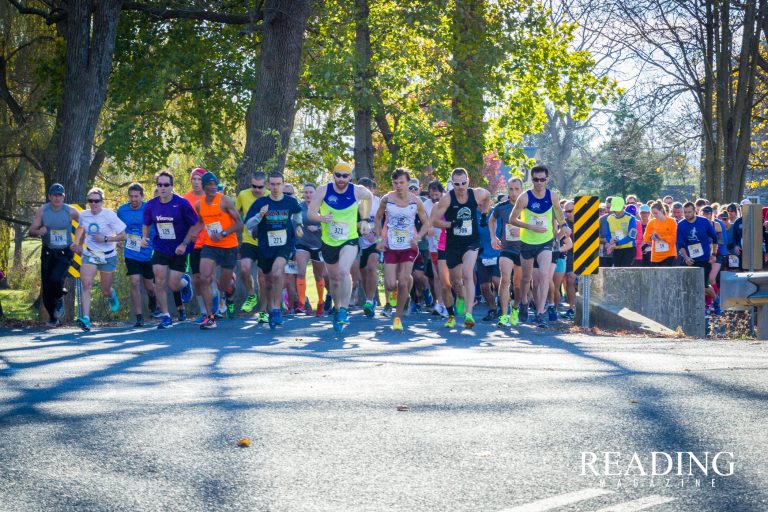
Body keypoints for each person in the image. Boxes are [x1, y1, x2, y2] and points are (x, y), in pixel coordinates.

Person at [307, 161, 373, 333]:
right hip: (329, 242)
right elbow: (310, 213)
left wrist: (365, 219)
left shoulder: (357, 190)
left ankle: (344, 309)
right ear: (333, 175)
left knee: (344, 271)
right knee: (334, 278)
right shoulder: (323, 190)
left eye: (345, 176)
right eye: (338, 175)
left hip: (349, 239)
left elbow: (369, 197)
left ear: (350, 177)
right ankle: (337, 309)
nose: (341, 179)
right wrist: (322, 219)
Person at [430, 167, 492, 329]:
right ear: (452, 184)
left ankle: (469, 314)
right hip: (453, 244)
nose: (461, 187)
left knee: (467, 274)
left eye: (463, 183)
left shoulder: (476, 193)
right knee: (454, 281)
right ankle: (455, 306)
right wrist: (451, 224)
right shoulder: (447, 199)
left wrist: (484, 213)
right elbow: (435, 221)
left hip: (471, 242)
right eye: (457, 184)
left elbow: (487, 196)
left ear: (468, 181)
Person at [245, 171, 304, 329]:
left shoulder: (290, 202)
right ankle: (271, 309)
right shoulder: (261, 203)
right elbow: (248, 225)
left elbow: (298, 213)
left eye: (278, 184)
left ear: (283, 184)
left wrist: (298, 226)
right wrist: (260, 215)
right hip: (265, 247)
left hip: (285, 245)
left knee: (278, 272)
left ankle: (277, 309)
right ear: (268, 185)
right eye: (272, 184)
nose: (275, 187)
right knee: (268, 282)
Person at [373, 168, 430, 330]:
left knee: (403, 280)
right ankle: (405, 291)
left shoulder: (416, 201)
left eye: (402, 183)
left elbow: (426, 222)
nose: (398, 186)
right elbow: (377, 218)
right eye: (395, 183)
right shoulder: (387, 199)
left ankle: (397, 317)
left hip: (409, 246)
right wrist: (379, 238)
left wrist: (418, 237)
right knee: (391, 284)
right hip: (391, 245)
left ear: (408, 183)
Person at [509, 165, 565, 328]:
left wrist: (564, 225)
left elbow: (559, 213)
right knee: (526, 278)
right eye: (535, 179)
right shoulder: (524, 197)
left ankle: (540, 313)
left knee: (543, 276)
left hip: (546, 242)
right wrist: (530, 227)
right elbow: (512, 219)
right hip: (527, 243)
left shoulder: (552, 196)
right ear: (531, 180)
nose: (539, 183)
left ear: (546, 180)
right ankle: (525, 302)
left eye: (542, 179)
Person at [188, 172, 243, 329]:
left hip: (228, 247)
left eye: (214, 184)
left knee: (223, 286)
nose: (212, 187)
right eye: (209, 185)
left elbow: (239, 224)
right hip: (210, 246)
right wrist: (193, 234)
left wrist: (223, 233)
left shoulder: (225, 201)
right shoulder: (200, 204)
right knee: (204, 279)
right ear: (204, 187)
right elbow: (200, 223)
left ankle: (229, 293)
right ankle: (210, 317)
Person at [142, 171, 195, 329]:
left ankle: (185, 282)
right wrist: (145, 237)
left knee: (173, 285)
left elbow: (194, 224)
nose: (162, 188)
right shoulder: (151, 204)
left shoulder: (182, 203)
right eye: (159, 185)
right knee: (158, 282)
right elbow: (146, 224)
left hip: (179, 248)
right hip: (160, 247)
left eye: (166, 185)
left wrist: (184, 244)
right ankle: (166, 316)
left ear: (172, 186)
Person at [70, 187, 127, 331]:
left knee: (105, 289)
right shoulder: (84, 215)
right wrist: (76, 242)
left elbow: (123, 235)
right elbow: (80, 228)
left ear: (102, 201)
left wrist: (106, 238)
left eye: (96, 201)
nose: (93, 204)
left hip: (108, 255)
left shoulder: (109, 215)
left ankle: (111, 295)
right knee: (86, 283)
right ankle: (86, 318)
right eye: (90, 201)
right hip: (91, 254)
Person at [28, 183, 79, 327]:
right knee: (47, 287)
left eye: (60, 195)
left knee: (56, 279)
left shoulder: (70, 211)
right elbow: (31, 231)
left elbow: (84, 224)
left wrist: (79, 242)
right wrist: (39, 231)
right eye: (54, 195)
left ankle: (59, 295)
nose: (57, 198)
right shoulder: (43, 211)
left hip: (64, 252)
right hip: (48, 252)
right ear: (49, 196)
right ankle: (53, 317)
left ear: (64, 196)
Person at [117, 183, 161, 327]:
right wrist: (117, 239)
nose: (134, 199)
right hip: (131, 251)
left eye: (137, 196)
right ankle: (139, 316)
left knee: (149, 286)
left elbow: (157, 225)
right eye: (131, 196)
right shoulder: (122, 210)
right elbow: (118, 229)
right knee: (134, 281)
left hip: (148, 252)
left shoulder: (149, 208)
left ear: (142, 196)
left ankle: (153, 299)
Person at [676, 202, 722, 312]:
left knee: (703, 285)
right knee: (690, 285)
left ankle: (715, 300)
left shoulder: (704, 222)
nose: (687, 214)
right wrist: (686, 257)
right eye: (685, 212)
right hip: (689, 259)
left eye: (689, 212)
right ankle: (695, 308)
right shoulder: (681, 224)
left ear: (694, 211)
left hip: (704, 258)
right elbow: (680, 244)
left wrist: (714, 254)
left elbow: (715, 239)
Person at [235, 172, 268, 322]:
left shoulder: (270, 196)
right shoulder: (243, 195)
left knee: (262, 278)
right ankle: (251, 295)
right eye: (253, 186)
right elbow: (236, 214)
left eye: (260, 187)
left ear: (265, 186)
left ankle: (263, 312)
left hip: (265, 242)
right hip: (248, 240)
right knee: (244, 268)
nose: (256, 190)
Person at [490, 178, 523, 327]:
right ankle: (503, 315)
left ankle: (515, 308)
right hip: (506, 248)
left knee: (518, 284)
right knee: (505, 280)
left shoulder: (528, 207)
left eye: (517, 189)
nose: (514, 192)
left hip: (524, 250)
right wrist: (493, 237)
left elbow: (538, 224)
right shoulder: (501, 207)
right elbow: (492, 220)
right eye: (511, 189)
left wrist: (522, 230)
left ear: (522, 190)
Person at [295, 183, 326, 316]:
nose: (308, 195)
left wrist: (318, 228)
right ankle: (301, 302)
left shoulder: (322, 207)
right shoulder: (299, 207)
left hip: (318, 244)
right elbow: (294, 221)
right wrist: (297, 227)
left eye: (310, 192)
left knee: (318, 275)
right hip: (302, 243)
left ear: (315, 193)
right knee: (301, 271)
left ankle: (320, 302)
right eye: (306, 192)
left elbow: (331, 222)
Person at [183, 167, 207, 323]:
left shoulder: (212, 197)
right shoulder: (185, 199)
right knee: (197, 278)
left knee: (208, 277)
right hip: (194, 244)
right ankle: (204, 311)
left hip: (211, 243)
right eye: (194, 179)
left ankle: (218, 302)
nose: (196, 182)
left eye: (199, 179)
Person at [357, 177, 382, 318]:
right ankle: (370, 300)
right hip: (360, 243)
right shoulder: (355, 203)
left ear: (373, 190)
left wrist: (377, 236)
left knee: (371, 267)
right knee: (363, 275)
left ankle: (369, 300)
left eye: (367, 191)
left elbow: (384, 222)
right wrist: (362, 228)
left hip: (375, 242)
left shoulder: (379, 203)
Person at [604, 197, 637, 267]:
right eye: (614, 209)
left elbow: (631, 236)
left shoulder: (631, 218)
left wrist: (617, 243)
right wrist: (610, 240)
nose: (615, 211)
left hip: (629, 249)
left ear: (623, 207)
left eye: (617, 209)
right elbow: (607, 235)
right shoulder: (609, 219)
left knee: (625, 271)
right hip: (616, 250)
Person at [643, 201, 678, 266]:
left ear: (661, 210)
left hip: (669, 255)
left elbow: (674, 239)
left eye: (656, 213)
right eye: (653, 213)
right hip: (655, 256)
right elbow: (645, 238)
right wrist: (651, 237)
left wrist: (661, 237)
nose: (654, 215)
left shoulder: (672, 221)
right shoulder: (651, 222)